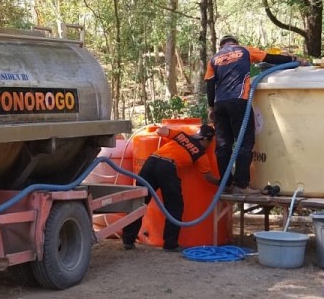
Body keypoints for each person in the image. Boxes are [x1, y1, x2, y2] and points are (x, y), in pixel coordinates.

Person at [204, 35, 300, 195]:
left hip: (220, 104)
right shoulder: (244, 50)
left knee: (223, 145)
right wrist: (292, 60)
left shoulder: (214, 58)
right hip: (239, 100)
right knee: (244, 142)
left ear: (221, 46)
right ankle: (242, 185)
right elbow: (269, 58)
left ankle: (226, 183)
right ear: (235, 43)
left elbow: (210, 84)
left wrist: (211, 107)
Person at [121, 124, 219, 252]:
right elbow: (208, 177)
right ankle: (170, 243)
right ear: (206, 139)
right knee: (175, 206)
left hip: (151, 161)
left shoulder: (182, 135)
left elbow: (160, 131)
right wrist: (221, 182)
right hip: (167, 167)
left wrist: (164, 128)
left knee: (138, 202)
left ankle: (128, 240)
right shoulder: (201, 154)